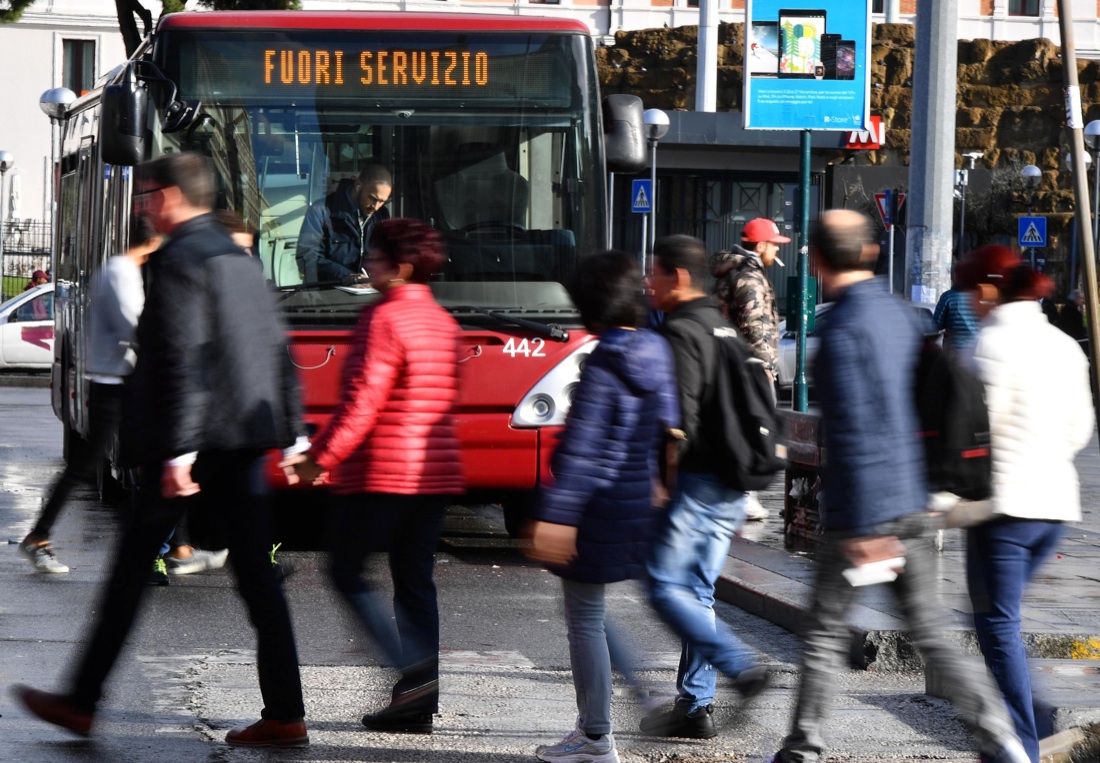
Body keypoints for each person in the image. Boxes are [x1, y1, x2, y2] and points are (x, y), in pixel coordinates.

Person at [13, 153, 310, 748]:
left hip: (191, 447)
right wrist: (296, 437)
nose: (142, 206)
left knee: (128, 576)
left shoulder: (179, 260)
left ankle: (81, 702)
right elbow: (277, 351)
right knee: (258, 579)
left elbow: (183, 360)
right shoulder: (240, 258)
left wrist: (176, 456)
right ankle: (284, 712)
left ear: (171, 196)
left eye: (147, 194)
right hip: (245, 444)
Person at [769, 210, 1028, 763]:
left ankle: (803, 747)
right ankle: (1000, 735)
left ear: (815, 261)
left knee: (823, 631)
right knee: (930, 629)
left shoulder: (839, 329)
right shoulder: (902, 314)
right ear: (868, 253)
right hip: (914, 500)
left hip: (864, 513)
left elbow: (858, 426)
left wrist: (865, 526)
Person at [282, 218, 464, 735]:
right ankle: (415, 701)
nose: (366, 263)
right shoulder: (442, 322)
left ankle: (409, 671)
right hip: (435, 471)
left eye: (376, 256)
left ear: (401, 265)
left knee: (344, 571)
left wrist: (321, 457)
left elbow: (363, 402)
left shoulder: (383, 318)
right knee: (414, 584)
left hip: (385, 469)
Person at [527, 251, 679, 763]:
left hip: (595, 504)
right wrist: (659, 484)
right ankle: (641, 692)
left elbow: (586, 447)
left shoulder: (601, 365)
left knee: (584, 618)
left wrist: (559, 515)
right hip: (636, 498)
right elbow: (668, 426)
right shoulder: (656, 351)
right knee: (593, 612)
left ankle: (595, 736)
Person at [958, 245, 1093, 763]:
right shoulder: (1063, 345)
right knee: (1000, 621)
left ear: (989, 291)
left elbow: (971, 436)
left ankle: (1022, 742)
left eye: (971, 291)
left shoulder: (987, 346)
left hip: (1005, 509)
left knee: (996, 624)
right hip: (1056, 506)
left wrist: (943, 501)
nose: (968, 302)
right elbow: (1080, 428)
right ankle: (1030, 725)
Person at [639, 234, 771, 741]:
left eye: (654, 274)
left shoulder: (681, 332)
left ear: (678, 277)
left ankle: (740, 668)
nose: (649, 284)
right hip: (733, 483)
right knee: (697, 592)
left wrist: (660, 484)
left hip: (696, 482)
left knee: (663, 586)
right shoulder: (723, 327)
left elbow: (678, 422)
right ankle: (695, 706)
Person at [18, 218, 160, 574]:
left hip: (114, 382)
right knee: (91, 466)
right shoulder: (122, 272)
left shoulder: (116, 269)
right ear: (153, 240)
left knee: (139, 463)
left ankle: (164, 548)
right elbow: (134, 324)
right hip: (112, 385)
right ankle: (39, 536)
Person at [711, 217, 787, 522]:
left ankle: (737, 494)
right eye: (774, 246)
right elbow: (757, 325)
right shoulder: (750, 277)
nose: (776, 253)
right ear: (761, 245)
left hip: (732, 362)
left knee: (739, 426)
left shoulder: (734, 272)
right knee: (755, 427)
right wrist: (765, 365)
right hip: (748, 365)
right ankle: (744, 496)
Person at [295, 164, 392, 283]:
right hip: (327, 293)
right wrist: (347, 276)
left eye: (382, 201)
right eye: (372, 198)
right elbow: (307, 258)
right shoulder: (321, 211)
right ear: (358, 185)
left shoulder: (381, 215)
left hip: (369, 291)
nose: (376, 207)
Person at [933, 264, 982, 354]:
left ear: (955, 276)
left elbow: (936, 325)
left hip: (953, 351)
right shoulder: (979, 296)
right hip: (976, 350)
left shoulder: (948, 297)